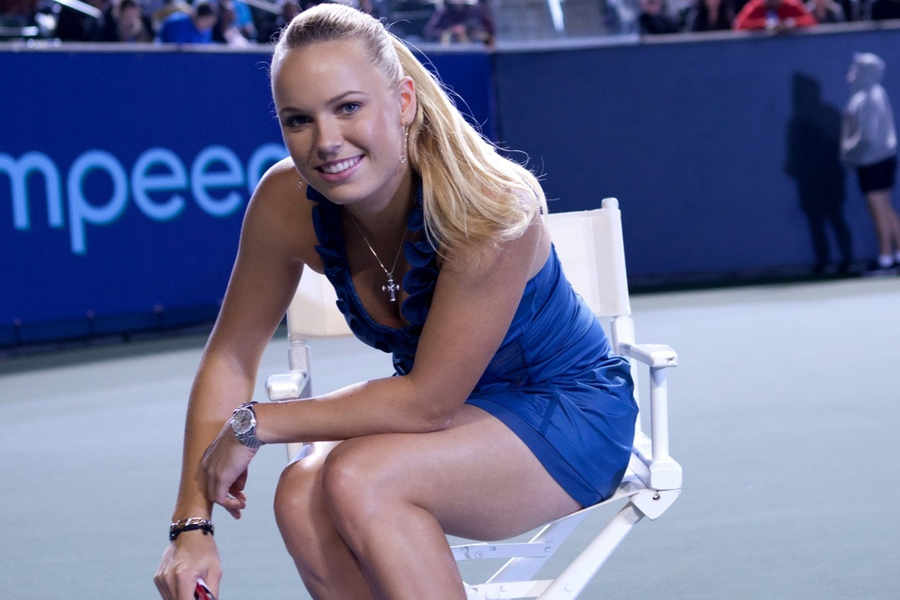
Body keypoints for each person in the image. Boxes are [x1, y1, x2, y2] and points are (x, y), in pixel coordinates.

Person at [152, 4, 637, 599]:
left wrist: (256, 424)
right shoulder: (285, 201)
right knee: (299, 495)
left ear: (404, 101)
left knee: (362, 476)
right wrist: (191, 525)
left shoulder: (489, 207)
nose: (326, 142)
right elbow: (230, 355)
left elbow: (427, 403)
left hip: (565, 413)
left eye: (348, 107)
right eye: (299, 120)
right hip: (452, 419)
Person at [841, 52, 900, 270]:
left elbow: (867, 136)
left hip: (873, 161)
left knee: (878, 209)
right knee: (885, 207)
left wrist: (848, 151)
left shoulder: (869, 97)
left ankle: (885, 258)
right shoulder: (873, 94)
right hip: (879, 160)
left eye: (856, 69)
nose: (851, 74)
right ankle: (895, 254)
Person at [733, 0, 816, 30]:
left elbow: (811, 21)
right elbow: (739, 25)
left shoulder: (791, 4)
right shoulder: (756, 6)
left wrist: (791, 23)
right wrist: (765, 24)